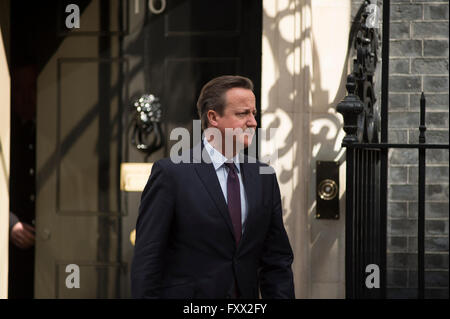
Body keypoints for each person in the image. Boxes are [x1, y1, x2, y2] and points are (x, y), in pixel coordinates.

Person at [131, 75, 295, 299]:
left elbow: (277, 261)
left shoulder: (264, 176)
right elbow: (147, 260)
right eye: (242, 113)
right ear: (213, 117)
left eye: (253, 113)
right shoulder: (172, 174)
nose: (253, 122)